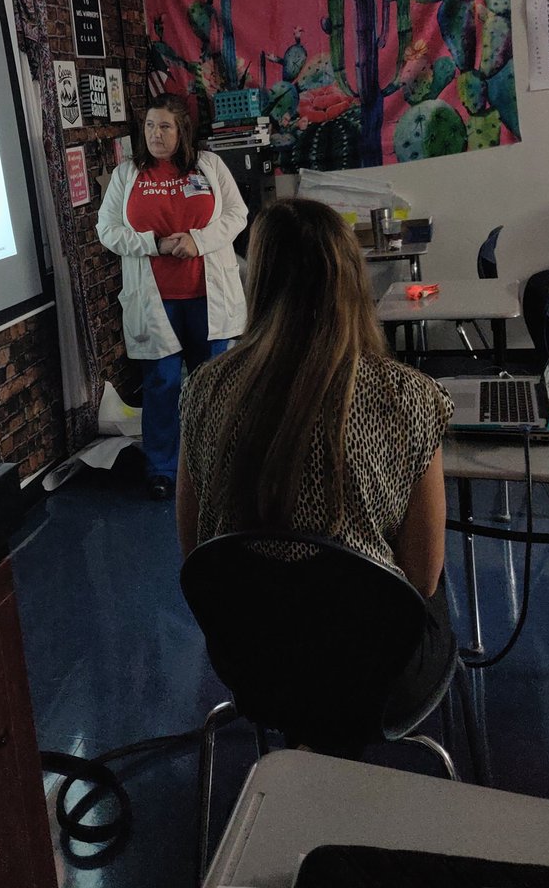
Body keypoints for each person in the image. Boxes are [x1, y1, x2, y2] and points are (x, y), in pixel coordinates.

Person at [177, 197, 455, 720]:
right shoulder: (410, 398)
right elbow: (421, 578)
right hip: (374, 672)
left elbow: (195, 548)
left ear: (259, 283)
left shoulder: (203, 392)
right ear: (352, 279)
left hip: (251, 662)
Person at [97, 93, 247, 500]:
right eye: (149, 126)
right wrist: (153, 244)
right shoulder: (127, 174)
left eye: (164, 126)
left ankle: (219, 465)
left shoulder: (209, 166)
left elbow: (237, 214)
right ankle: (162, 469)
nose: (156, 134)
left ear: (182, 131)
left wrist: (199, 241)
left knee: (213, 384)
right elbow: (107, 230)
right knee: (161, 385)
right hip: (155, 300)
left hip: (208, 295)